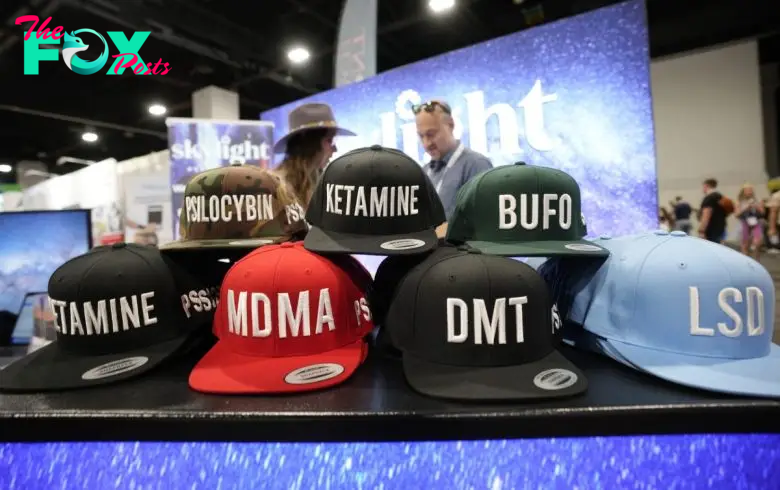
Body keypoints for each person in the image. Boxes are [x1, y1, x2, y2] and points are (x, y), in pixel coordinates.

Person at [414, 100, 493, 220]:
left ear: (450, 125)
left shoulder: (476, 164)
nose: (426, 143)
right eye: (421, 136)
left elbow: (483, 221)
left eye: (431, 134)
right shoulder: (424, 172)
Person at [272, 103, 356, 209]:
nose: (335, 149)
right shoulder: (276, 189)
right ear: (309, 143)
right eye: (329, 140)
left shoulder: (319, 185)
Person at [737, 183, 764, 260]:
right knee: (745, 244)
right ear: (743, 191)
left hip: (756, 222)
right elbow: (737, 214)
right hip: (744, 222)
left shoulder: (758, 200)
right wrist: (746, 207)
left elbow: (762, 212)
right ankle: (746, 261)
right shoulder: (739, 201)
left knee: (757, 243)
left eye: (751, 190)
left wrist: (756, 206)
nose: (749, 192)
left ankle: (757, 261)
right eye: (747, 190)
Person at [697, 178, 727, 243]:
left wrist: (701, 230)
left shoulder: (709, 198)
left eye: (703, 187)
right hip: (721, 228)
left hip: (711, 231)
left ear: (706, 186)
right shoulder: (720, 196)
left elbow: (706, 215)